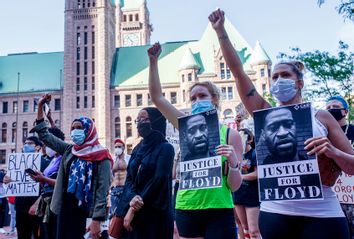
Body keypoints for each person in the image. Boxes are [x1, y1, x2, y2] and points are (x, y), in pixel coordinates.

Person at [209, 9, 354, 239]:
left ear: (299, 82)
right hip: (276, 213)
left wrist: (332, 150)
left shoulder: (321, 117)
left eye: (284, 75)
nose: (278, 80)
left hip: (323, 213)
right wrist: (221, 32)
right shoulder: (264, 113)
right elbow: (238, 73)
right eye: (274, 76)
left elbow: (351, 166)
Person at [148, 42, 243, 239]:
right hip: (186, 207)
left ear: (214, 99)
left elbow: (235, 186)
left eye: (202, 95)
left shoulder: (230, 135)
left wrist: (233, 162)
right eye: (193, 98)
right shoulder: (184, 126)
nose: (197, 101)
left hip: (219, 208)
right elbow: (157, 98)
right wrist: (153, 61)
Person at [32, 94, 112, 239]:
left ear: (89, 130)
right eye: (73, 128)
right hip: (65, 208)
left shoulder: (102, 155)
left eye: (79, 128)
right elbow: (44, 135)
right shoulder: (70, 150)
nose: (75, 131)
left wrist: (96, 219)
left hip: (87, 210)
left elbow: (102, 189)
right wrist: (39, 107)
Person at [117, 107, 175, 239]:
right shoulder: (137, 148)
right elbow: (130, 178)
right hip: (134, 215)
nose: (140, 123)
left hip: (155, 213)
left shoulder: (166, 148)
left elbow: (159, 179)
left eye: (145, 119)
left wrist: (134, 207)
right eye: (138, 120)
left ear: (156, 121)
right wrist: (132, 198)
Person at [30, 127, 65, 239]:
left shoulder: (63, 159)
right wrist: (40, 179)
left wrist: (44, 179)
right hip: (46, 204)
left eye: (47, 143)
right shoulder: (53, 160)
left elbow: (62, 184)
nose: (45, 146)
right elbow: (46, 184)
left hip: (56, 204)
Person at [326, 95, 354, 237]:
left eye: (335, 107)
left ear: (345, 111)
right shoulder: (323, 134)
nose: (331, 110)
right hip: (333, 196)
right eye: (328, 108)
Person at [233, 129, 260, 239]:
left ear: (250, 140)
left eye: (242, 138)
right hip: (238, 195)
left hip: (252, 196)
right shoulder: (234, 154)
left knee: (254, 231)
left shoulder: (254, 153)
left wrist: (240, 177)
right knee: (244, 228)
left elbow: (258, 173)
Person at [110, 138, 130, 217]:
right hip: (114, 190)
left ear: (123, 147)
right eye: (115, 147)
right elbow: (111, 174)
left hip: (125, 189)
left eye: (119, 146)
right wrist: (111, 186)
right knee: (114, 215)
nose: (117, 149)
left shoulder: (128, 158)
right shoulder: (113, 160)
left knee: (125, 214)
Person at [0, 169, 8, 234]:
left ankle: (1, 227)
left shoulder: (3, 175)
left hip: (3, 197)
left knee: (2, 212)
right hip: (2, 197)